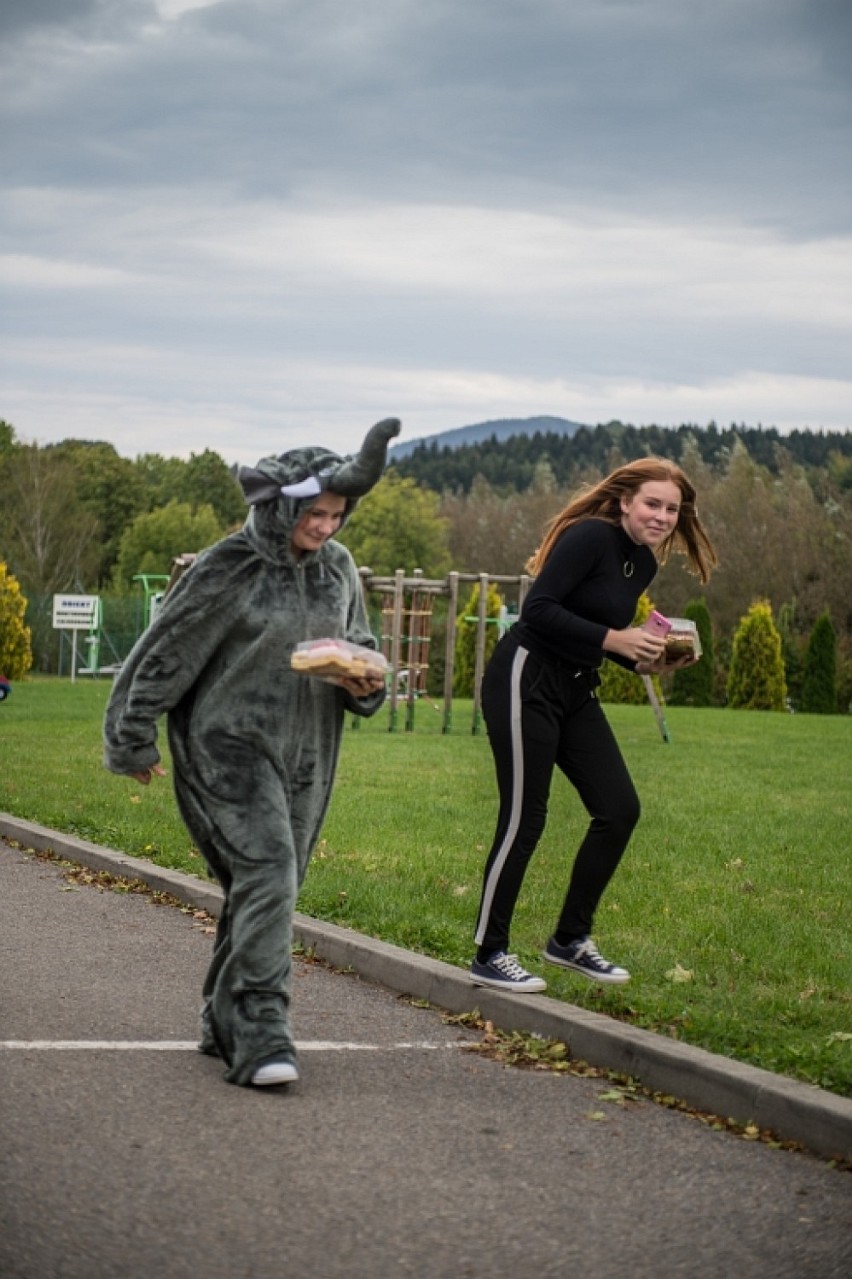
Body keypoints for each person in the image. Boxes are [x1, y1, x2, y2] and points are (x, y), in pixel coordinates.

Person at [104, 418, 400, 1086]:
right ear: (282, 507)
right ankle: (263, 1031)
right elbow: (163, 654)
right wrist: (132, 736)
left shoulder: (340, 570)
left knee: (264, 887)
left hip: (309, 756)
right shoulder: (227, 567)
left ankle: (218, 1015)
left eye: (336, 514)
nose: (326, 526)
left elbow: (358, 644)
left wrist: (366, 681)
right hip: (225, 749)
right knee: (269, 870)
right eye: (315, 513)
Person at [470, 456, 717, 993]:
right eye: (653, 503)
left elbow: (600, 632)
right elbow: (538, 611)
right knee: (525, 818)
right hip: (524, 678)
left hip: (576, 688)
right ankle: (490, 952)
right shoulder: (587, 537)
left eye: (672, 509)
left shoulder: (644, 563)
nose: (662, 516)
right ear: (626, 501)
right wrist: (616, 640)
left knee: (619, 809)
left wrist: (648, 659)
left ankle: (569, 940)